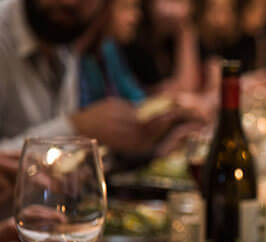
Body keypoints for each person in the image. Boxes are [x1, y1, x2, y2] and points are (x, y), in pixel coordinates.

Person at [0, 0, 173, 155]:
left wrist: (146, 144)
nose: (70, 2)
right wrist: (77, 127)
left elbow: (58, 162)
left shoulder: (65, 38)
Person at [122, 0, 200, 94]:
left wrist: (185, 34)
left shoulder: (174, 37)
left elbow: (188, 88)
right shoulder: (131, 36)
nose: (175, 10)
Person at [78, 0, 146, 107]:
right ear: (103, 10)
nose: (135, 18)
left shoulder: (109, 47)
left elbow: (135, 96)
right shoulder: (77, 52)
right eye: (126, 8)